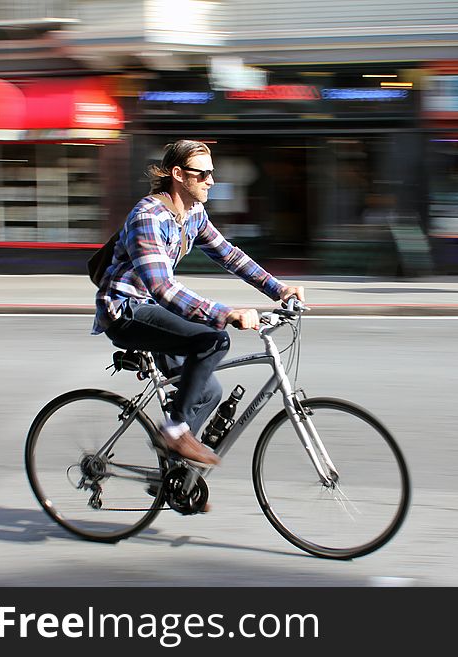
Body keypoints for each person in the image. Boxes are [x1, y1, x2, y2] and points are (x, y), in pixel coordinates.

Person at [92, 140, 305, 471]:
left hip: (152, 310)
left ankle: (178, 476)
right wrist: (226, 314)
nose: (211, 181)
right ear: (178, 175)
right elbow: (162, 287)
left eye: (212, 173)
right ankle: (174, 431)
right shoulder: (147, 217)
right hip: (125, 311)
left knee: (207, 392)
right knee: (213, 340)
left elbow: (229, 255)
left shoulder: (192, 214)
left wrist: (278, 289)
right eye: (202, 174)